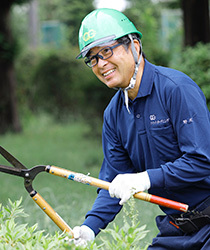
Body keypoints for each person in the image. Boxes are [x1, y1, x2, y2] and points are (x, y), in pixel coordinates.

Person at [72, 8, 210, 249]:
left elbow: (202, 160)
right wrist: (89, 227)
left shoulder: (176, 89)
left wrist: (145, 179)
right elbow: (112, 183)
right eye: (92, 58)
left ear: (135, 46)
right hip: (178, 228)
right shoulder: (113, 115)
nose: (101, 64)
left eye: (106, 50)